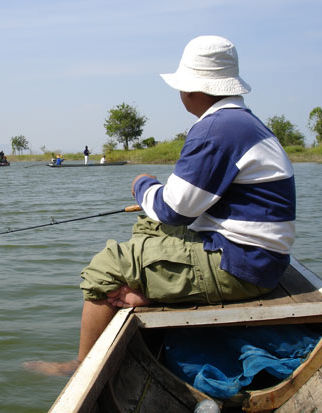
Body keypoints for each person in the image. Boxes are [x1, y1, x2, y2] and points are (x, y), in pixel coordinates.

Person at [25, 35, 296, 376]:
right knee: (149, 228)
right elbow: (183, 205)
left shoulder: (216, 129)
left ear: (192, 89)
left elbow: (174, 210)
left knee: (104, 268)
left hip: (244, 266)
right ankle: (151, 286)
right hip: (258, 258)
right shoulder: (240, 122)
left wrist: (142, 184)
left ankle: (79, 366)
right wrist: (156, 198)